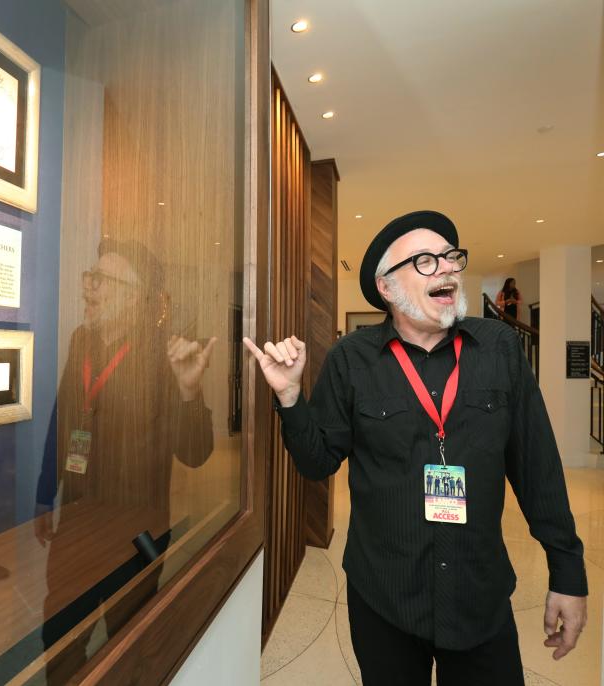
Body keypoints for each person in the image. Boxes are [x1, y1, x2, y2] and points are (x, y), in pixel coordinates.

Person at [244, 210, 587, 686]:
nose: (447, 267)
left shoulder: (499, 348)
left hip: (478, 597)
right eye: (426, 261)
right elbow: (316, 460)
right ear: (387, 288)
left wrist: (567, 572)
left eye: (450, 257)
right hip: (384, 597)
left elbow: (538, 468)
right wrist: (289, 397)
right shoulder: (352, 360)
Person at [34, 238, 216, 683]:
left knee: (127, 639)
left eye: (103, 281)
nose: (89, 288)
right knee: (58, 635)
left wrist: (190, 392)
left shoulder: (163, 352)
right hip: (77, 518)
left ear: (135, 296)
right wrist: (45, 494)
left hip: (136, 527)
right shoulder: (83, 339)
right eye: (90, 277)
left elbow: (194, 455)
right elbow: (64, 416)